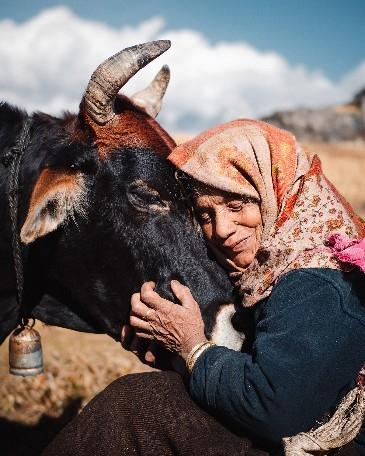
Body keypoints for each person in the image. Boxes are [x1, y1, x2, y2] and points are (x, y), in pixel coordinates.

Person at [43, 120, 365, 456]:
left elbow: (272, 408)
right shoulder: (276, 266)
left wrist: (193, 347)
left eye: (236, 205)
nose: (222, 229)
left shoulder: (318, 280)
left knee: (136, 409)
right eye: (206, 215)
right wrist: (178, 357)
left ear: (274, 191)